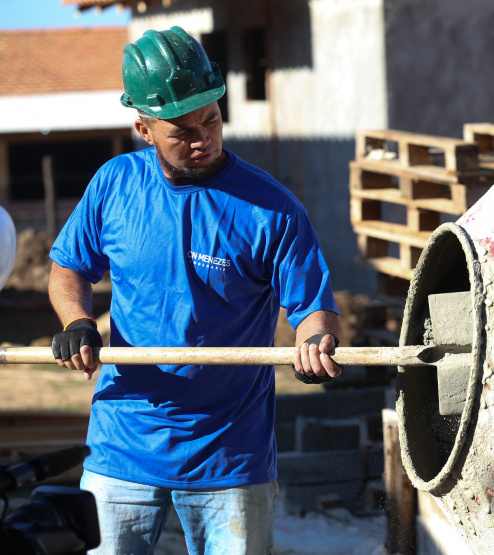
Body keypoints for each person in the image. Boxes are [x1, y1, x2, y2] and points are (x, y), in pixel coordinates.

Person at [47, 26, 343, 554]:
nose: (203, 137)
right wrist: (77, 321)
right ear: (143, 127)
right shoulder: (115, 185)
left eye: (211, 119)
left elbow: (314, 307)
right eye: (182, 130)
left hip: (231, 454)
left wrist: (315, 342)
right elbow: (68, 268)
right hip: (125, 442)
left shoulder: (272, 208)